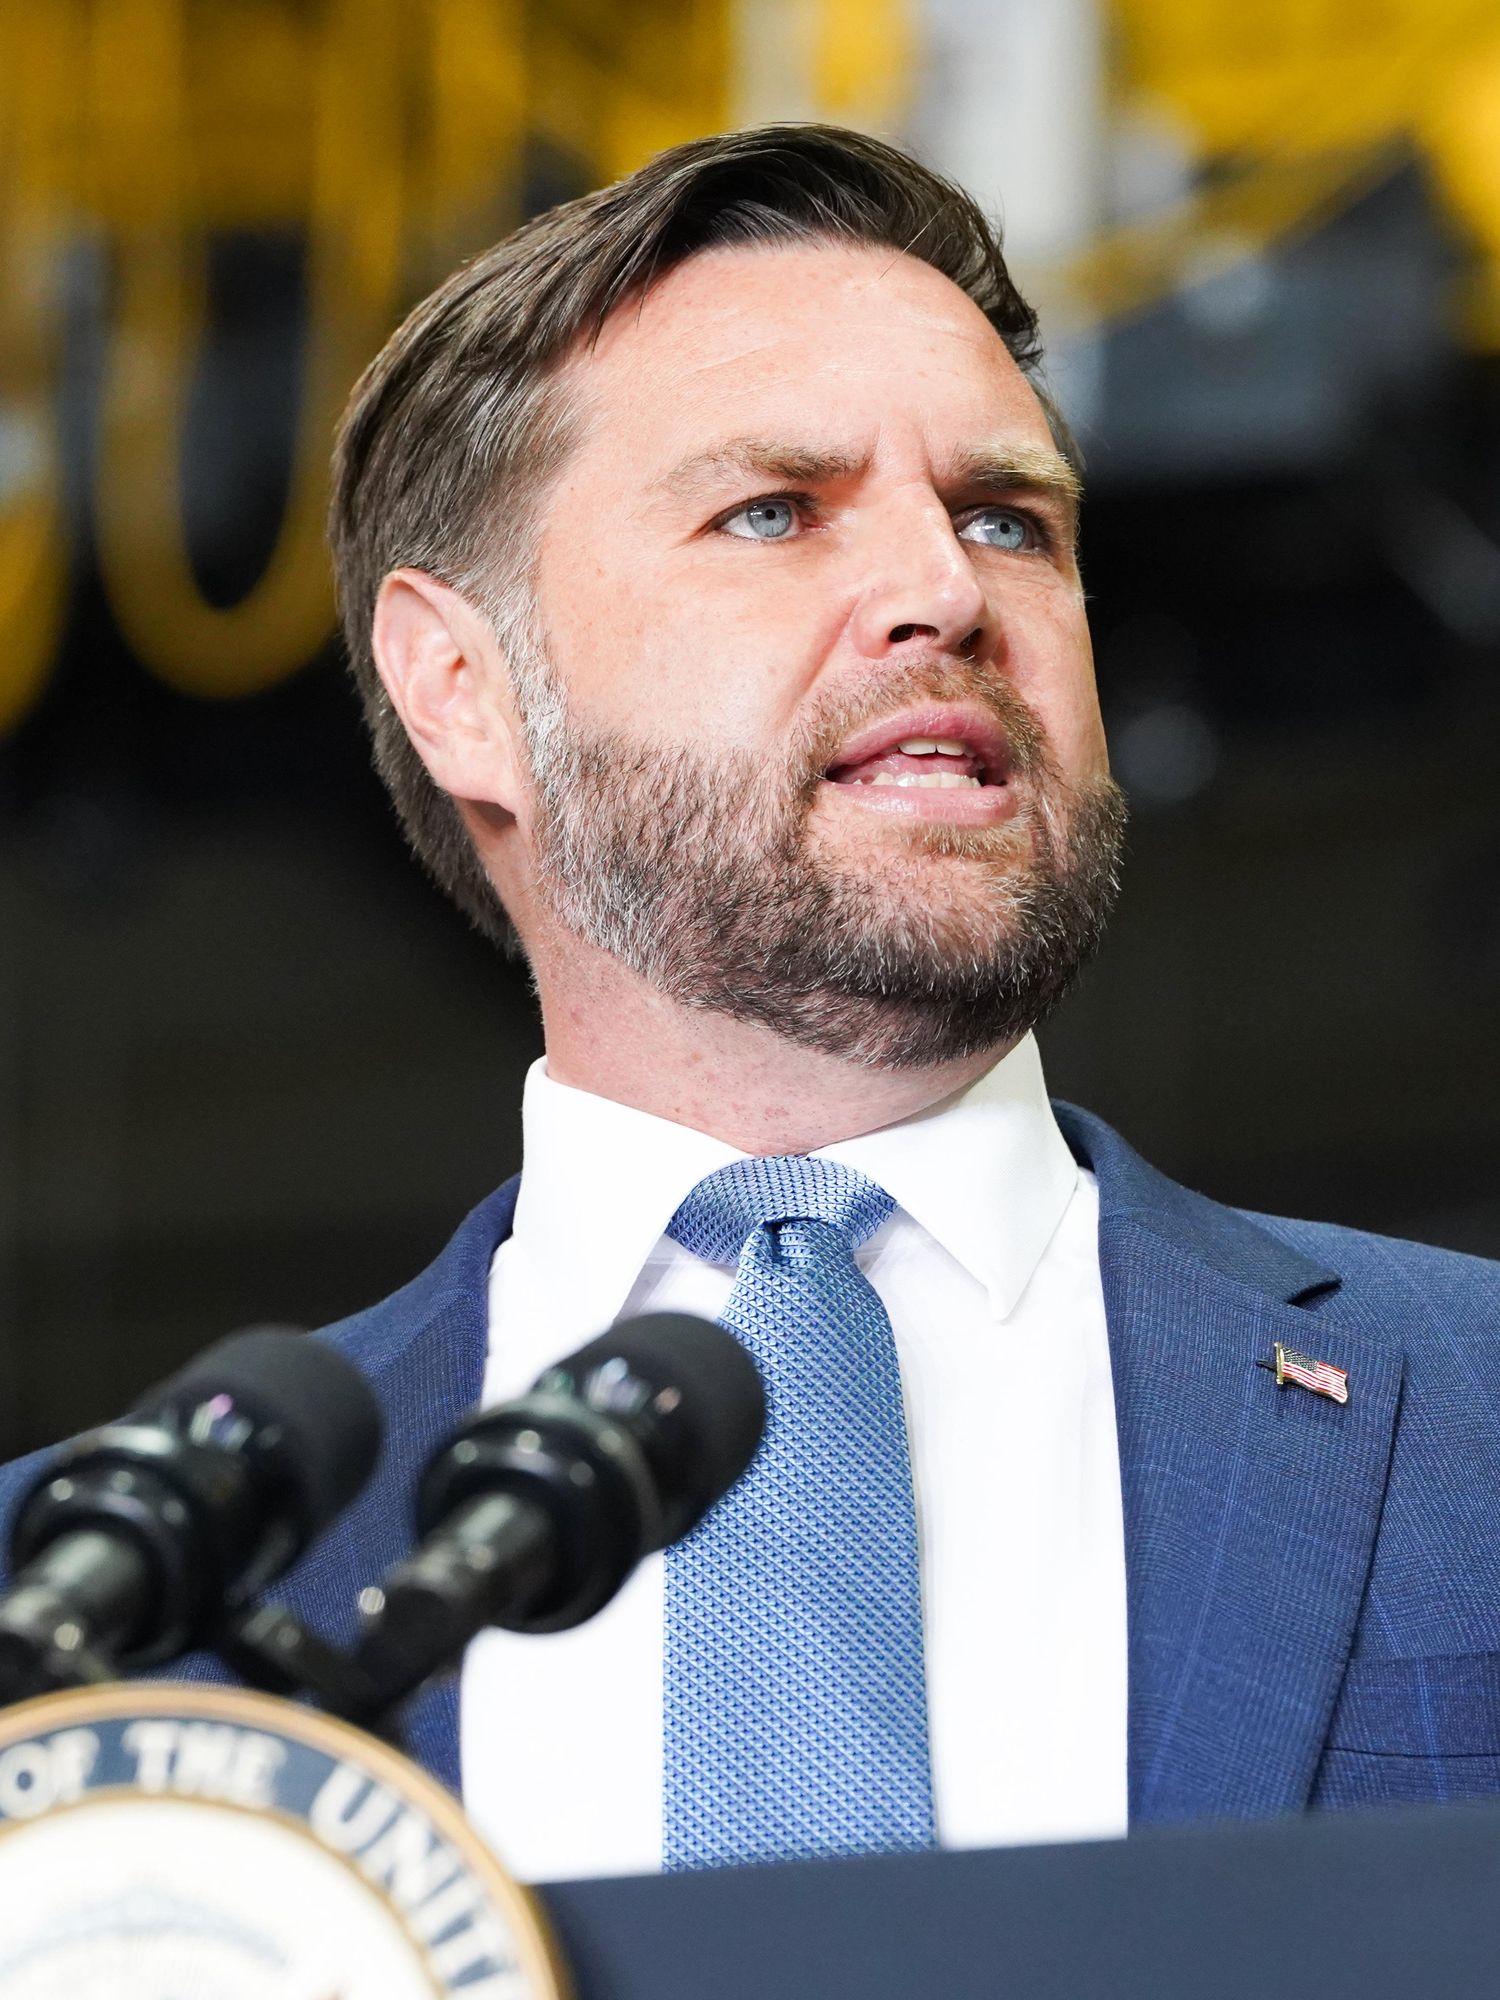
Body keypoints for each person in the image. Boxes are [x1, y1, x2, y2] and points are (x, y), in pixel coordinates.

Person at [8, 124, 1500, 1881]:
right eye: (775, 510)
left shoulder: (1466, 1406)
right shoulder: (89, 1595)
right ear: (461, 685)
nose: (947, 593)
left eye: (1008, 519)